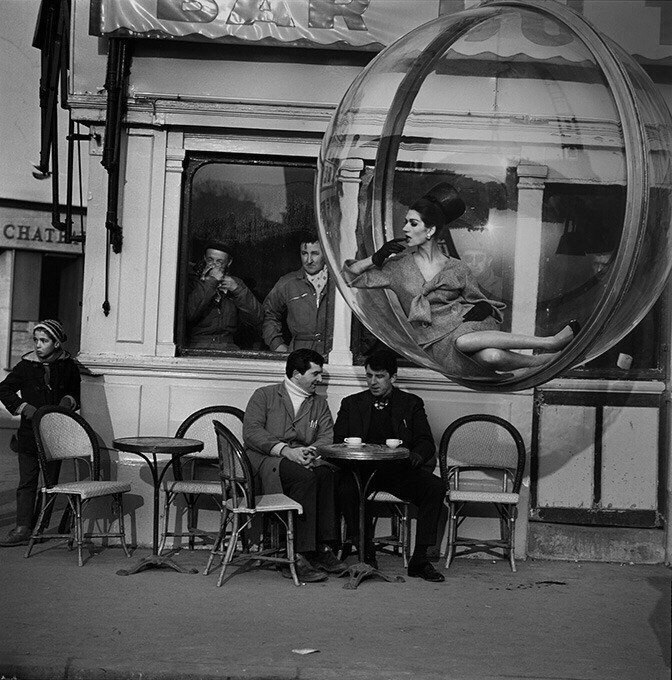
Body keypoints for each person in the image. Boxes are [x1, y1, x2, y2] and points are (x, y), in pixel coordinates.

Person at [344, 183, 580, 377]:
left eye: (412, 223)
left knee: (485, 352)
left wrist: (483, 307)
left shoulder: (457, 267)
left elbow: (483, 303)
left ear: (430, 230)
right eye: (406, 222)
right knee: (479, 351)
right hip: (437, 344)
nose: (405, 228)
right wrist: (374, 259)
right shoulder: (396, 267)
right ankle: (548, 345)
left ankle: (546, 360)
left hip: (467, 327)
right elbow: (349, 276)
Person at [333, 350, 445, 582]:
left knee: (434, 487)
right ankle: (367, 555)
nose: (373, 382)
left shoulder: (410, 403)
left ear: (393, 378)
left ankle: (420, 560)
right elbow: (338, 441)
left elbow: (425, 442)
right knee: (346, 490)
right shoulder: (352, 403)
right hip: (360, 471)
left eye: (380, 376)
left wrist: (415, 456)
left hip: (398, 471)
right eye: (369, 376)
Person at [243, 348, 347, 582]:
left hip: (304, 459)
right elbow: (251, 432)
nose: (320, 380)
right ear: (297, 374)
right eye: (315, 374)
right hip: (267, 460)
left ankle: (322, 548)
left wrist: (309, 453)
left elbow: (326, 436)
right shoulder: (265, 395)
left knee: (326, 474)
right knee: (304, 477)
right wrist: (287, 451)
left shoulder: (318, 403)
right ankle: (296, 553)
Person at [0, 319, 80, 547]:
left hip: (55, 437)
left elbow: (76, 391)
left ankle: (41, 526)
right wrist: (24, 407)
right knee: (27, 482)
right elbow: (3, 389)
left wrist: (69, 401)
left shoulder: (68, 366)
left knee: (51, 483)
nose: (38, 345)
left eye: (44, 341)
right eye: (36, 340)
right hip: (28, 436)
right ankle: (22, 527)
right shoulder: (26, 366)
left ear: (56, 343)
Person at [262, 232, 334, 356]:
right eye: (304, 253)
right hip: (299, 355)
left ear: (326, 254)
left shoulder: (337, 283)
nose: (309, 260)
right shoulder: (288, 282)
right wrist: (278, 346)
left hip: (333, 355)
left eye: (315, 254)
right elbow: (268, 315)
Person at [187, 242, 263, 349]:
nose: (213, 265)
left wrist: (237, 290)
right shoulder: (193, 283)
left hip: (229, 346)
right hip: (196, 347)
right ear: (204, 258)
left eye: (219, 262)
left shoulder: (235, 283)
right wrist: (211, 282)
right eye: (210, 260)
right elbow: (190, 313)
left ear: (229, 262)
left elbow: (257, 318)